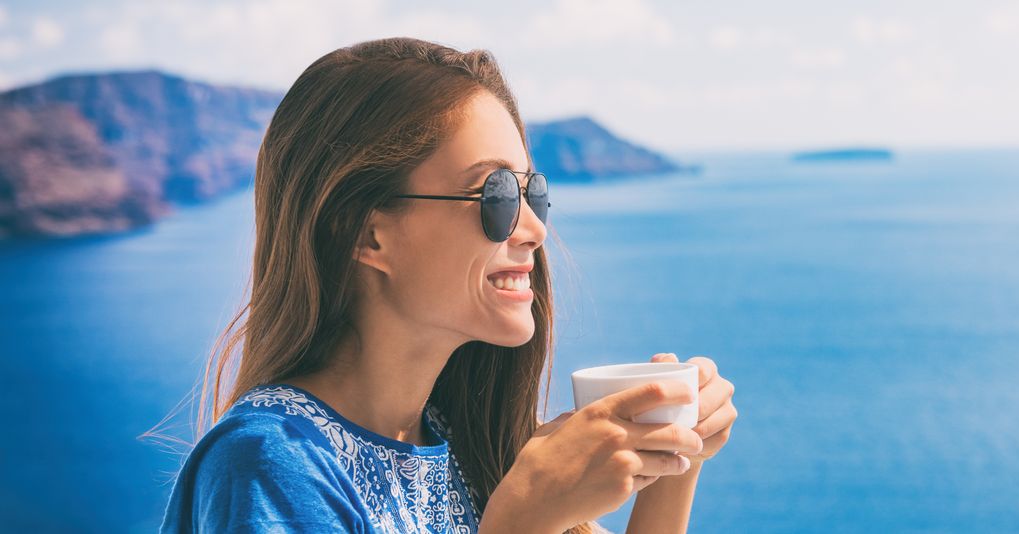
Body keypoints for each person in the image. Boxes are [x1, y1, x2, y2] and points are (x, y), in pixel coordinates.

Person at [157, 36, 737, 534]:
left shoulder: (467, 447)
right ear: (366, 233)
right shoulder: (270, 462)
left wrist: (673, 463)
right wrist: (523, 520)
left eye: (532, 193)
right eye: (496, 195)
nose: (535, 229)